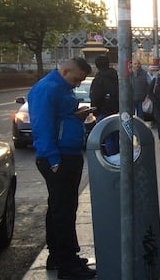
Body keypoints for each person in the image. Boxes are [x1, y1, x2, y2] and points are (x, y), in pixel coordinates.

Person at [29, 58, 96, 279]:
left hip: (66, 154)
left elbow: (58, 119)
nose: (78, 84)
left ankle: (59, 256)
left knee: (59, 208)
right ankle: (68, 266)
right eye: (77, 79)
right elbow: (42, 126)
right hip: (60, 157)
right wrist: (53, 159)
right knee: (64, 211)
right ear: (66, 70)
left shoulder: (62, 88)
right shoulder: (48, 89)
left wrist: (75, 116)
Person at [90, 54, 119, 156]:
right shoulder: (115, 77)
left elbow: (95, 97)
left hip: (102, 112)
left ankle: (112, 160)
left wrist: (95, 111)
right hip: (116, 112)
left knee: (107, 137)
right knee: (116, 136)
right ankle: (119, 160)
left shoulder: (99, 79)